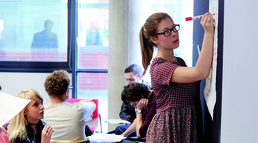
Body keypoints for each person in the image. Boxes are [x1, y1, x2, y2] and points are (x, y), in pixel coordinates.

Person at [139, 12, 214, 142]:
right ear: (154, 39)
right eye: (166, 32)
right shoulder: (160, 67)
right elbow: (200, 72)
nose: (174, 33)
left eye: (174, 28)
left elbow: (200, 71)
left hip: (185, 127)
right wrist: (208, 33)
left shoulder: (179, 62)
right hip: (168, 132)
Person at [44, 70, 96, 142]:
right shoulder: (80, 109)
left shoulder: (41, 113)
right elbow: (93, 104)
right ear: (66, 92)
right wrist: (81, 103)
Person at [114, 64, 143, 136]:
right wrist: (134, 119)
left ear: (139, 78)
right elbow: (122, 113)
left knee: (119, 130)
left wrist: (138, 119)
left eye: (131, 79)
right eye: (127, 80)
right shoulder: (128, 91)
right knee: (111, 133)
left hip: (144, 124)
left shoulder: (147, 91)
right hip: (134, 122)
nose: (128, 82)